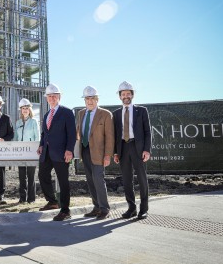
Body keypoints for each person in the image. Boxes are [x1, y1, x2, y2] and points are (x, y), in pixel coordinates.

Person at [113, 81, 152, 220]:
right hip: (123, 148)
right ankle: (131, 208)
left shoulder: (141, 111)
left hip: (138, 148)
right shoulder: (116, 114)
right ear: (120, 96)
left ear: (132, 95)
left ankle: (143, 209)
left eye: (128, 93)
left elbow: (148, 132)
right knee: (127, 180)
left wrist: (147, 150)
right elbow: (116, 134)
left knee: (142, 179)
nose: (126, 96)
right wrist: (115, 152)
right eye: (123, 94)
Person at [37, 83, 76, 221]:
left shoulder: (66, 112)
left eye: (54, 96)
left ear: (59, 97)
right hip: (47, 152)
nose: (52, 98)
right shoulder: (47, 114)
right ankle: (52, 202)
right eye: (49, 96)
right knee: (42, 175)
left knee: (63, 181)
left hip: (61, 153)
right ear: (46, 98)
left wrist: (69, 150)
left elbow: (72, 133)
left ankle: (65, 210)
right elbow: (44, 134)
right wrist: (41, 145)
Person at [76, 86, 115, 220]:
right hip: (85, 151)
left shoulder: (105, 114)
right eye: (87, 98)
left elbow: (110, 137)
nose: (90, 101)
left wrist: (107, 155)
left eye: (92, 98)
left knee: (98, 179)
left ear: (97, 99)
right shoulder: (81, 113)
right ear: (84, 100)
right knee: (90, 180)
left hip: (99, 153)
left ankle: (104, 209)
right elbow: (79, 132)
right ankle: (96, 207)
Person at [13, 98, 40, 204]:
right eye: (23, 108)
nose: (25, 110)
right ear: (21, 110)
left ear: (30, 110)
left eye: (27, 108)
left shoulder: (34, 122)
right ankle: (22, 198)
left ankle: (31, 198)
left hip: (31, 153)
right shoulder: (18, 122)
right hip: (21, 153)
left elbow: (37, 137)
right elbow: (15, 138)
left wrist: (36, 150)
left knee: (31, 176)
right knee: (21, 176)